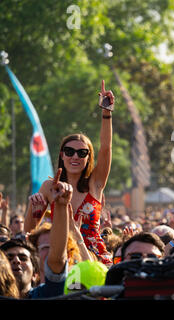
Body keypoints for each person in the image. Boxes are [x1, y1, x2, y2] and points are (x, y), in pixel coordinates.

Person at [24, 80, 115, 266]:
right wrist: (32, 211)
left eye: (82, 153)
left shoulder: (95, 183)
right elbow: (29, 233)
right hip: (60, 258)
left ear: (89, 158)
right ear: (62, 155)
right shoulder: (50, 186)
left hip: (94, 259)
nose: (75, 156)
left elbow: (106, 148)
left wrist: (106, 112)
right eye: (69, 151)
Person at [1, 176, 73, 298]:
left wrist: (61, 206)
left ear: (36, 273)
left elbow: (56, 261)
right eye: (9, 257)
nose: (16, 261)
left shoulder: (46, 294)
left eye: (23, 258)